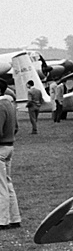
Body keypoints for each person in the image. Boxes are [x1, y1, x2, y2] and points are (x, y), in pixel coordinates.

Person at [0, 80, 22, 230]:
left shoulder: (0, 106)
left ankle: (3, 220)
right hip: (9, 146)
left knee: (1, 187)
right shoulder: (10, 105)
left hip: (1, 148)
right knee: (8, 184)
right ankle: (15, 218)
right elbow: (16, 128)